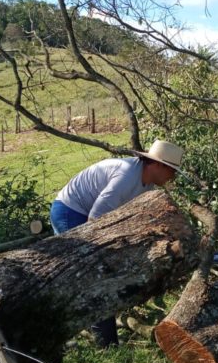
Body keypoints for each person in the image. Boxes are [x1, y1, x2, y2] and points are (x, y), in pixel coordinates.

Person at [49, 139, 184, 347]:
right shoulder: (126, 175)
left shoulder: (147, 186)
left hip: (90, 216)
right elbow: (96, 219)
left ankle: (98, 337)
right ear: (158, 165)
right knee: (92, 276)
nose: (172, 176)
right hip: (70, 211)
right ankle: (104, 343)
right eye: (171, 170)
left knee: (98, 273)